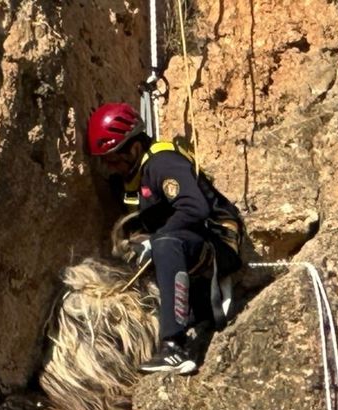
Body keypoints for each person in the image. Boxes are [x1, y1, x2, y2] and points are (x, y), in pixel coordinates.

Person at [86, 102, 245, 374]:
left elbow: (195, 207)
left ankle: (173, 347)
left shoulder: (163, 163)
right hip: (186, 248)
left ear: (133, 147)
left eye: (112, 159)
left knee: (165, 244)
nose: (109, 167)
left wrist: (156, 240)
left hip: (216, 243)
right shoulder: (130, 180)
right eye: (104, 161)